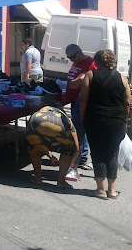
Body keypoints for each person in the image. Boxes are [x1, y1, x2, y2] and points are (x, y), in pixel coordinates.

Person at [79, 50, 131, 199]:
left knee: (97, 153)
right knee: (112, 154)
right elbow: (127, 101)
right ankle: (112, 190)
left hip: (95, 119)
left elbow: (83, 99)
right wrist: (124, 119)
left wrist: (83, 117)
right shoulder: (122, 78)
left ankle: (100, 190)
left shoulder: (90, 75)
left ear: (96, 62)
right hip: (116, 121)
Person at [25, 106, 79, 189]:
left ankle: (38, 178)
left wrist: (51, 157)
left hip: (37, 119)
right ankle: (61, 182)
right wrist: (71, 162)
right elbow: (76, 148)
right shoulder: (66, 120)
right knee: (68, 150)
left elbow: (43, 144)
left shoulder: (43, 109)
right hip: (60, 126)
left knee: (34, 146)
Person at [64, 44, 97, 178]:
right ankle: (82, 156)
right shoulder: (78, 62)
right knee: (79, 130)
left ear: (79, 53)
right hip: (74, 100)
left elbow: (90, 83)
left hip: (81, 102)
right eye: (68, 57)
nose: (70, 60)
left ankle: (80, 159)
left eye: (71, 57)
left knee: (79, 131)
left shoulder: (90, 64)